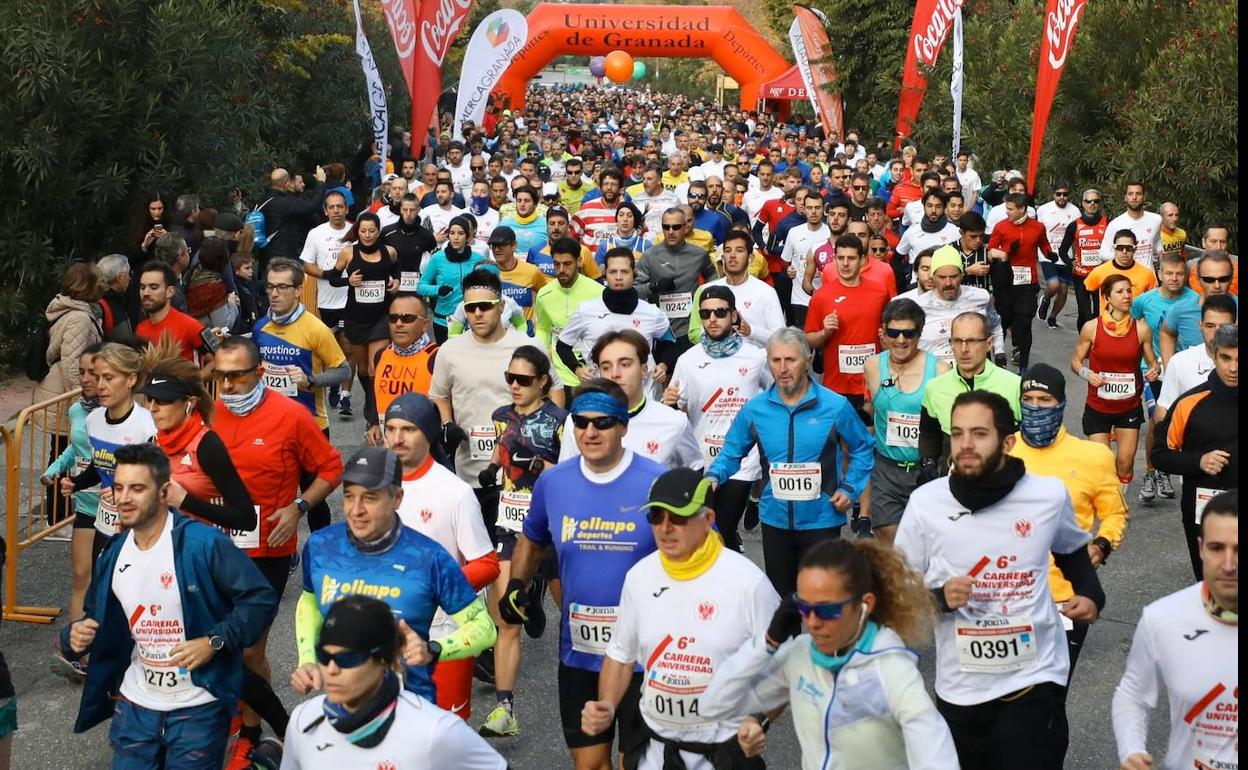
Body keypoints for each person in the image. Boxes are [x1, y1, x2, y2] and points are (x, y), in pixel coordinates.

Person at [895, 391, 1105, 770]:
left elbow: (1072, 549)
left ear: (1008, 442)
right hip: (961, 687)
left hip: (1034, 677)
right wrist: (939, 597)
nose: (966, 444)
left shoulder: (1046, 496)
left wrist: (1091, 594)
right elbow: (895, 591)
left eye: (979, 433)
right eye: (957, 434)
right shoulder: (926, 503)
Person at [60, 443, 279, 769]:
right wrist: (72, 638)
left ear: (164, 492)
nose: (123, 498)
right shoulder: (114, 552)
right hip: (136, 705)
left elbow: (260, 598)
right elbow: (93, 618)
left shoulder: (202, 544)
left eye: (137, 488)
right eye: (119, 488)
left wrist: (213, 641)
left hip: (198, 706)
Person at [497, 379, 665, 770]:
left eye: (603, 423)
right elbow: (533, 539)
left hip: (644, 657)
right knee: (589, 765)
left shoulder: (655, 482)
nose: (590, 432)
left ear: (623, 426)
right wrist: (518, 585)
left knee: (637, 763)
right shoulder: (555, 483)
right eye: (581, 422)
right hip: (580, 654)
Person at [581, 468, 781, 769]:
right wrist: (607, 706)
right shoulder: (640, 577)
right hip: (655, 752)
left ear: (709, 520)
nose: (666, 528)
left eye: (679, 517)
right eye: (656, 517)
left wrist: (759, 719)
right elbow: (621, 656)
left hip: (721, 755)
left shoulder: (748, 584)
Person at [701, 538, 959, 770]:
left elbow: (937, 757)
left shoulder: (892, 669)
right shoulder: (800, 656)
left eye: (826, 611)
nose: (812, 623)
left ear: (864, 605)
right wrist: (767, 642)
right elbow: (713, 705)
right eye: (803, 608)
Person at [291, 446, 497, 705]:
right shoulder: (321, 545)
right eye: (348, 496)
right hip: (344, 710)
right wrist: (308, 659)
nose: (356, 510)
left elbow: (484, 629)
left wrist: (434, 650)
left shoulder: (428, 557)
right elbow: (309, 601)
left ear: (397, 498)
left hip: (411, 711)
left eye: (370, 498)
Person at [706, 328, 874, 596]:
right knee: (783, 604)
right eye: (776, 361)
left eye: (791, 360)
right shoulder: (755, 410)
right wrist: (714, 476)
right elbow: (731, 452)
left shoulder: (835, 406)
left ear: (808, 361)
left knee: (822, 601)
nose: (783, 368)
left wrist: (849, 488)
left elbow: (863, 448)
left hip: (822, 521)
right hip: (776, 521)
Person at [282, 595, 506, 769]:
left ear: (385, 660)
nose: (331, 669)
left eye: (347, 659)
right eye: (324, 656)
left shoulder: (436, 731)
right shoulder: (304, 720)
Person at [383, 393, 500, 720]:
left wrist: (436, 586)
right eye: (390, 429)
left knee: (444, 736)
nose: (396, 438)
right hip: (384, 633)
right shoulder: (375, 487)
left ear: (429, 432)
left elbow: (487, 564)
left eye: (408, 429)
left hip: (443, 634)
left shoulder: (455, 493)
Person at [1007, 365, 1128, 677]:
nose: (1035, 406)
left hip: (1066, 597)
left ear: (1061, 403)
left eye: (1044, 400)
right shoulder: (1000, 451)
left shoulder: (1093, 456)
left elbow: (1114, 513)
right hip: (1007, 598)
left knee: (1052, 699)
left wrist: (1102, 545)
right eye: (1028, 399)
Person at [476, 347, 568, 737]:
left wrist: (536, 465)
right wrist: (493, 469)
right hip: (511, 526)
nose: (514, 385)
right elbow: (503, 451)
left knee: (577, 617)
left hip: (555, 529)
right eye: (509, 378)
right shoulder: (502, 417)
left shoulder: (562, 421)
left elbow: (572, 474)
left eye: (523, 380)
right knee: (505, 620)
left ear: (543, 381)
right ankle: (504, 709)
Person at [1111, 490, 1238, 770]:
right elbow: (1133, 693)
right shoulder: (1164, 618)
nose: (1229, 565)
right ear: (1201, 547)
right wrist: (1131, 750)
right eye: (1217, 548)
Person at [431, 268, 547, 540]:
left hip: (520, 470)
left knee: (517, 551)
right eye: (471, 308)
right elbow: (439, 394)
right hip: (471, 468)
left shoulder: (526, 347)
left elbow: (552, 391)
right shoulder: (450, 350)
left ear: (502, 306)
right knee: (479, 549)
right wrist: (447, 423)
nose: (478, 314)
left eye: (485, 306)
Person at [663, 287, 771, 552]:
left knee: (721, 525)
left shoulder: (757, 357)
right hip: (702, 457)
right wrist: (670, 403)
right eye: (706, 313)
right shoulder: (688, 360)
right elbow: (678, 410)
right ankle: (731, 548)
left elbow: (774, 398)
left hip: (743, 461)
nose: (713, 318)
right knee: (704, 531)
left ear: (734, 315)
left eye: (720, 312)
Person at [1151, 324, 1238, 580]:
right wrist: (1198, 461)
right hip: (1204, 512)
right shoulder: (1190, 403)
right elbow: (1159, 455)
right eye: (1226, 358)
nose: (1233, 368)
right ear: (1213, 355)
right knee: (1211, 588)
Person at [863, 299, 947, 543]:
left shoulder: (940, 371)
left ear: (919, 334)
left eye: (908, 333)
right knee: (888, 537)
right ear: (884, 333)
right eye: (894, 333)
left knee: (922, 543)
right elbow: (872, 408)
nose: (901, 340)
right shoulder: (872, 366)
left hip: (925, 471)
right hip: (886, 469)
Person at [43, 346, 103, 679]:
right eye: (82, 372)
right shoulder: (77, 410)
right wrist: (55, 469)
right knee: (82, 576)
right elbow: (74, 447)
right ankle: (76, 653)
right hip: (86, 505)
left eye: (94, 373)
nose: (86, 380)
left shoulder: (124, 413)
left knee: (112, 583)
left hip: (118, 511)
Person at [560, 330, 701, 468]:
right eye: (606, 367)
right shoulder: (578, 421)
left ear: (644, 369)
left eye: (625, 364)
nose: (615, 374)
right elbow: (566, 479)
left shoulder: (674, 422)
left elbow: (694, 474)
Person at [1071, 273, 1160, 487]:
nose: (1127, 296)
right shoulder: (1092, 328)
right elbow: (1075, 361)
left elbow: (1152, 362)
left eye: (1129, 291)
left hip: (1128, 408)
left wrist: (1154, 370)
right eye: (1120, 292)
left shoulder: (1141, 329)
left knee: (1125, 463)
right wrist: (1087, 374)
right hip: (1098, 407)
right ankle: (1113, 508)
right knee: (1103, 464)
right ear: (1107, 297)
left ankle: (1119, 503)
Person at [253, 258, 351, 442]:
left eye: (282, 287)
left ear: (298, 290)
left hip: (310, 426)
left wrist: (310, 380)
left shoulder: (316, 328)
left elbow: (344, 371)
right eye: (270, 286)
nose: (274, 294)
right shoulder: (260, 327)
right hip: (271, 424)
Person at [1130, 250, 1197, 503]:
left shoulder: (1196, 301)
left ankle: (1167, 469)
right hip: (1153, 372)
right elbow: (1133, 331)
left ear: (1187, 275)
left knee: (1184, 424)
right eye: (1169, 273)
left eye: (1180, 274)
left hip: (1186, 371)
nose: (1174, 278)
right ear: (1159, 274)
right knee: (1156, 421)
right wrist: (1146, 362)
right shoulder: (1144, 301)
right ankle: (1150, 471)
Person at [556, 249, 674, 392]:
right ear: (605, 273)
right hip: (601, 394)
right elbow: (562, 346)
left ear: (634, 274)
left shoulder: (652, 313)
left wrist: (663, 365)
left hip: (644, 394)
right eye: (613, 272)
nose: (618, 277)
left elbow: (669, 343)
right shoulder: (585, 310)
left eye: (624, 272)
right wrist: (578, 369)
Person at [918, 312, 1021, 468]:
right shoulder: (935, 387)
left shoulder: (1015, 385)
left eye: (972, 341)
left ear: (989, 343)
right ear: (950, 343)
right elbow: (929, 435)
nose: (964, 349)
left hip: (1002, 484)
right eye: (958, 341)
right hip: (953, 484)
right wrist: (928, 463)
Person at [804, 235, 892, 415]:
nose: (845, 263)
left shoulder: (880, 293)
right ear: (834, 259)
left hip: (873, 382)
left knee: (872, 439)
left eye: (851, 258)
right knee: (839, 441)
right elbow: (808, 341)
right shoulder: (821, 296)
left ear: (862, 260)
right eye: (840, 258)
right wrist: (824, 332)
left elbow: (889, 334)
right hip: (836, 385)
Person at [987, 192, 1053, 373]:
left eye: (1010, 209)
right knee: (1002, 322)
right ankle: (994, 361)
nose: (1007, 212)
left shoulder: (1038, 227)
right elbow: (991, 250)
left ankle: (1023, 366)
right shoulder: (1001, 227)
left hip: (1028, 282)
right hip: (1006, 283)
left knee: (1024, 323)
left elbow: (1043, 243)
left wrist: (1050, 254)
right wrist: (1007, 250)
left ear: (1022, 209)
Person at [688, 230, 786, 348]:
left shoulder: (766, 292)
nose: (732, 255)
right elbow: (694, 333)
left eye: (739, 250)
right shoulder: (707, 290)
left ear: (750, 257)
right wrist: (720, 331)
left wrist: (751, 331)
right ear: (723, 257)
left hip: (754, 363)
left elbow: (782, 339)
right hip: (715, 362)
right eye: (728, 251)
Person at [535, 236, 606, 395]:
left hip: (592, 376)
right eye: (556, 264)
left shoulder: (598, 292)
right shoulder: (544, 294)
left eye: (567, 264)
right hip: (559, 377)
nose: (561, 270)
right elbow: (543, 329)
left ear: (579, 262)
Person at [636, 207, 718, 344]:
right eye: (666, 227)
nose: (671, 232)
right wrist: (653, 287)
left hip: (690, 327)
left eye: (676, 227)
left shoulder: (699, 254)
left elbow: (712, 276)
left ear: (686, 227)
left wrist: (704, 296)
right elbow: (634, 290)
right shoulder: (650, 256)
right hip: (660, 328)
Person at [916, 245, 1005, 367]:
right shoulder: (918, 306)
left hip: (974, 374)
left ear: (962, 275)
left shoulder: (981, 297)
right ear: (933, 277)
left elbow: (995, 325)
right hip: (934, 374)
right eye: (942, 277)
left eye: (953, 277)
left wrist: (999, 353)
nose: (948, 283)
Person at [367, 293, 439, 443]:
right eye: (393, 318)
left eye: (407, 318)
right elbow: (376, 391)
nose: (399, 324)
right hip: (387, 445)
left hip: (422, 448)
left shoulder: (437, 358)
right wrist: (373, 422)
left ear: (425, 324)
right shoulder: (381, 355)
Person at [418, 214, 495, 342]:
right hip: (443, 320)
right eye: (452, 233)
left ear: (468, 237)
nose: (456, 237)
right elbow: (421, 287)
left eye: (460, 233)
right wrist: (437, 290)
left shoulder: (478, 259)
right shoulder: (437, 258)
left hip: (470, 321)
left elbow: (488, 286)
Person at [1160, 250, 1238, 360]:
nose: (1217, 286)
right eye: (1209, 280)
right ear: (1198, 278)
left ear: (1231, 278)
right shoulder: (1179, 310)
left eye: (1223, 279)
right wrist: (1170, 366)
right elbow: (1167, 333)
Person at [135, 261, 213, 366]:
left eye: (153, 287)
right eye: (142, 287)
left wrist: (194, 379)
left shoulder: (191, 326)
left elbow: (218, 361)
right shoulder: (141, 329)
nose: (146, 293)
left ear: (170, 292)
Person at [1057, 188, 1108, 329]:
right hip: (1081, 276)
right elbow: (1062, 251)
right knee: (1085, 314)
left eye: (1096, 201)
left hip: (1101, 277)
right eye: (1088, 201)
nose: (1092, 204)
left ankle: (1096, 344)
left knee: (1100, 313)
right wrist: (1072, 264)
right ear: (1083, 204)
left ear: (1099, 204)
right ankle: (1084, 342)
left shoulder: (1107, 223)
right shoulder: (1074, 226)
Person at [1035, 182, 1080, 328]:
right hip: (1048, 253)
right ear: (1053, 194)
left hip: (1066, 254)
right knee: (1053, 285)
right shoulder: (1043, 210)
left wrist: (1076, 255)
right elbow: (1038, 232)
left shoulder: (1075, 211)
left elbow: (1076, 236)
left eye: (1065, 194)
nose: (1062, 197)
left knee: (1063, 291)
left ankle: (1053, 317)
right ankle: (1046, 299)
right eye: (1058, 194)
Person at [1098, 182, 1163, 269]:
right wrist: (1125, 255)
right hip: (1126, 278)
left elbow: (1156, 241)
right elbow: (1103, 254)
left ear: (1144, 197)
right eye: (1130, 194)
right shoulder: (1115, 224)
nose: (1134, 197)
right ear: (1125, 198)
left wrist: (1160, 250)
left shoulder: (1156, 219)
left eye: (1138, 194)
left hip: (1149, 277)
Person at [1084, 229, 1159, 300]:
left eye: (1129, 248)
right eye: (1120, 247)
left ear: (1135, 249)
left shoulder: (1147, 274)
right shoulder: (1099, 272)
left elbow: (1153, 301)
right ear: (1114, 248)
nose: (1124, 251)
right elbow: (1086, 290)